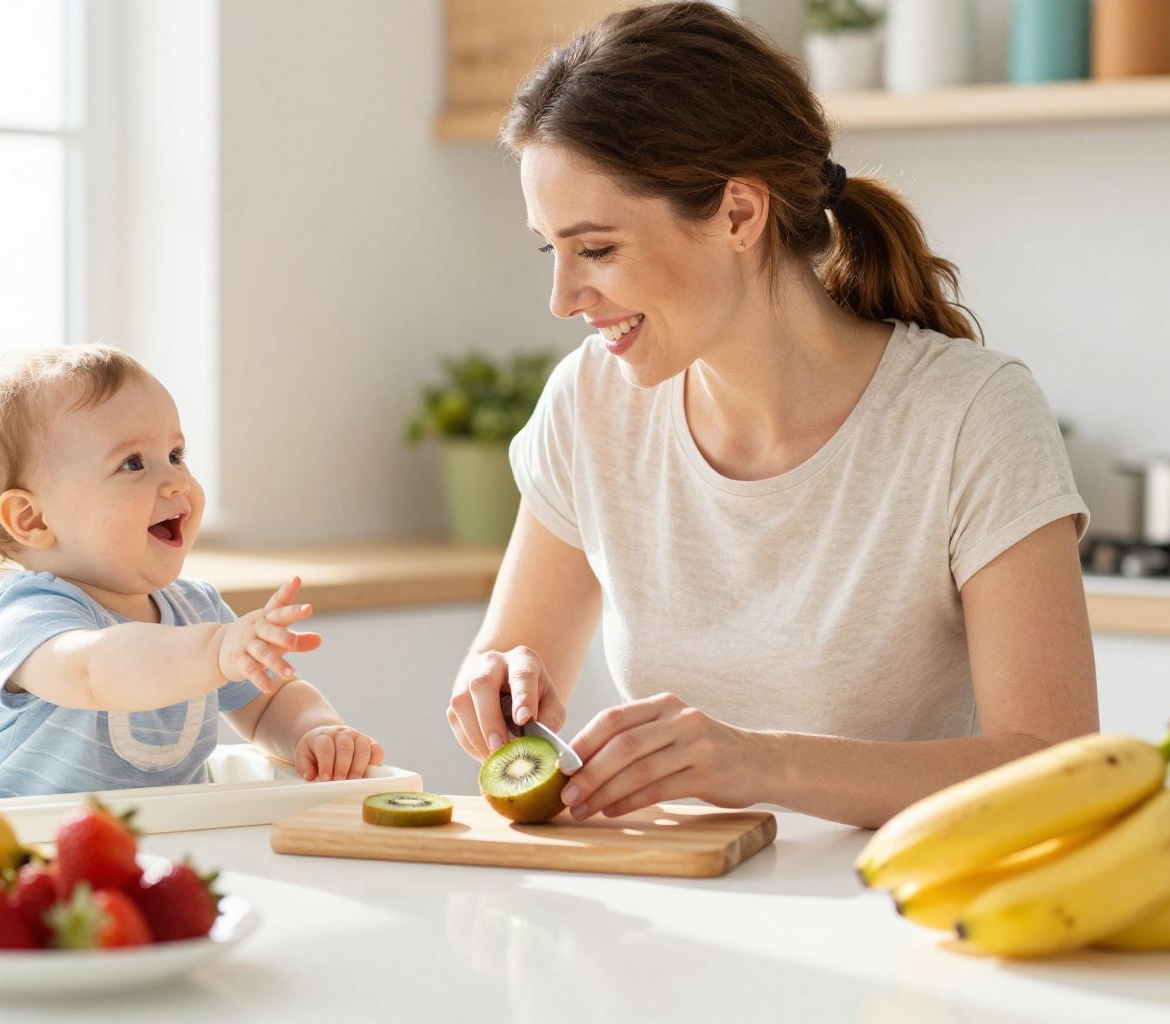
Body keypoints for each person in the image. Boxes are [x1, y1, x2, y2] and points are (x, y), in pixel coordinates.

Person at [446, 1, 1097, 829]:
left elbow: (1056, 766)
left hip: (908, 923)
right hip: (681, 917)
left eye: (598, 250)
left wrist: (759, 762)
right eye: (553, 250)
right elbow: (510, 657)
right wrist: (498, 685)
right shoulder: (590, 405)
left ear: (739, 214)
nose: (562, 299)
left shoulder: (970, 415)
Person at [0, 344, 383, 798]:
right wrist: (216, 651)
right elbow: (98, 672)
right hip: (33, 851)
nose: (177, 480)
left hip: (167, 853)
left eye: (176, 455)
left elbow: (268, 701)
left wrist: (314, 732)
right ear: (33, 520)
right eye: (132, 463)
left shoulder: (197, 609)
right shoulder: (29, 616)